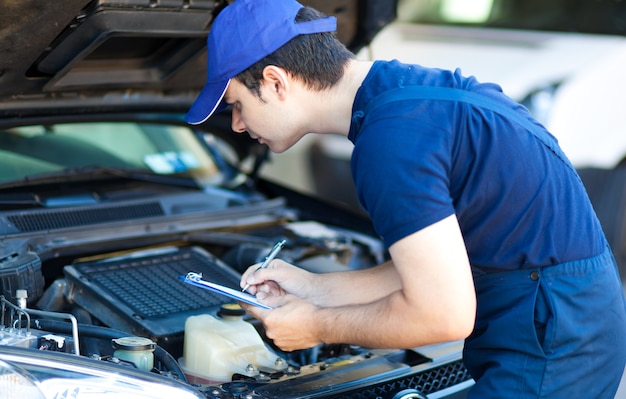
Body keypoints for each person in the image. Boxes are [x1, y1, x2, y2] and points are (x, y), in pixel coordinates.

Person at [185, 0, 626, 397]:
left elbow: (443, 316)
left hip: (552, 342)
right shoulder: (406, 96)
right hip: (573, 316)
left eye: (235, 104)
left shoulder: (390, 143)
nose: (238, 125)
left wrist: (314, 325)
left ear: (276, 82)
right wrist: (314, 288)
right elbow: (428, 269)